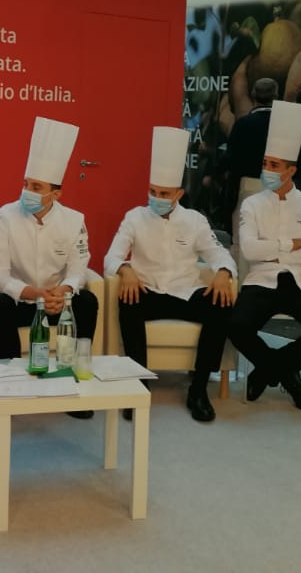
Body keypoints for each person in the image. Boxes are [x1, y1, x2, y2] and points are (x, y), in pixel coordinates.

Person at [104, 127, 237, 422]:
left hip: (185, 292)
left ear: (178, 194)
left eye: (164, 194)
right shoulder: (134, 217)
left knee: (221, 305)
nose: (157, 198)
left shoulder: (195, 221)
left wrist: (224, 271)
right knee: (128, 300)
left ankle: (198, 389)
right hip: (147, 291)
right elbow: (111, 257)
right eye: (152, 192)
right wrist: (125, 269)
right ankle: (139, 384)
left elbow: (218, 253)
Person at [0, 117, 98, 420]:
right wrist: (32, 293)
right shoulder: (4, 217)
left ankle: (72, 380)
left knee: (87, 301)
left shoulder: (74, 220)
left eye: (36, 187)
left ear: (56, 194)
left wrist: (65, 290)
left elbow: (79, 269)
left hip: (58, 303)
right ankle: (11, 386)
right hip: (22, 302)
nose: (27, 191)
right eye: (26, 184)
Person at [227, 101, 301, 410]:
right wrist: (292, 244)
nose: (267, 170)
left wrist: (274, 252)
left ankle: (269, 370)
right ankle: (287, 373)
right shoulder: (252, 204)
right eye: (265, 163)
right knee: (237, 326)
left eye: (274, 165)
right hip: (261, 280)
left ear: (291, 171)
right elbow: (249, 250)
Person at [225, 77, 279, 243]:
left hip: (247, 185)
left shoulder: (242, 124)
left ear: (253, 95)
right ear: (276, 96)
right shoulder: (283, 125)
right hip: (278, 188)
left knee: (243, 240)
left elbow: (230, 158)